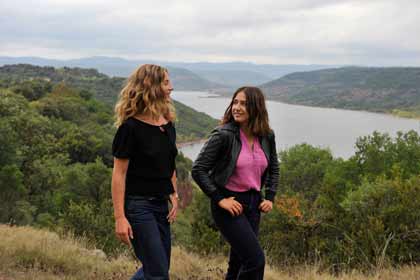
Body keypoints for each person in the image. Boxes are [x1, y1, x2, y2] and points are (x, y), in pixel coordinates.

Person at [191, 86, 279, 280]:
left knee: (239, 262)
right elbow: (198, 170)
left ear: (256, 108)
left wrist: (270, 197)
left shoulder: (267, 136)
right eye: (235, 102)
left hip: (254, 204)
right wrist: (220, 199)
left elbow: (274, 167)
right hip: (229, 204)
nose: (237, 108)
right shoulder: (224, 135)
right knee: (256, 260)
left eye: (244, 104)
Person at [111, 64, 179, 280]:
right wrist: (120, 217)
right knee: (158, 273)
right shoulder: (130, 128)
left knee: (157, 269)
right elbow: (118, 174)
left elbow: (169, 165)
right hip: (138, 206)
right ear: (151, 86)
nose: (171, 88)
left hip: (161, 205)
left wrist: (174, 194)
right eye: (166, 83)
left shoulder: (167, 124)